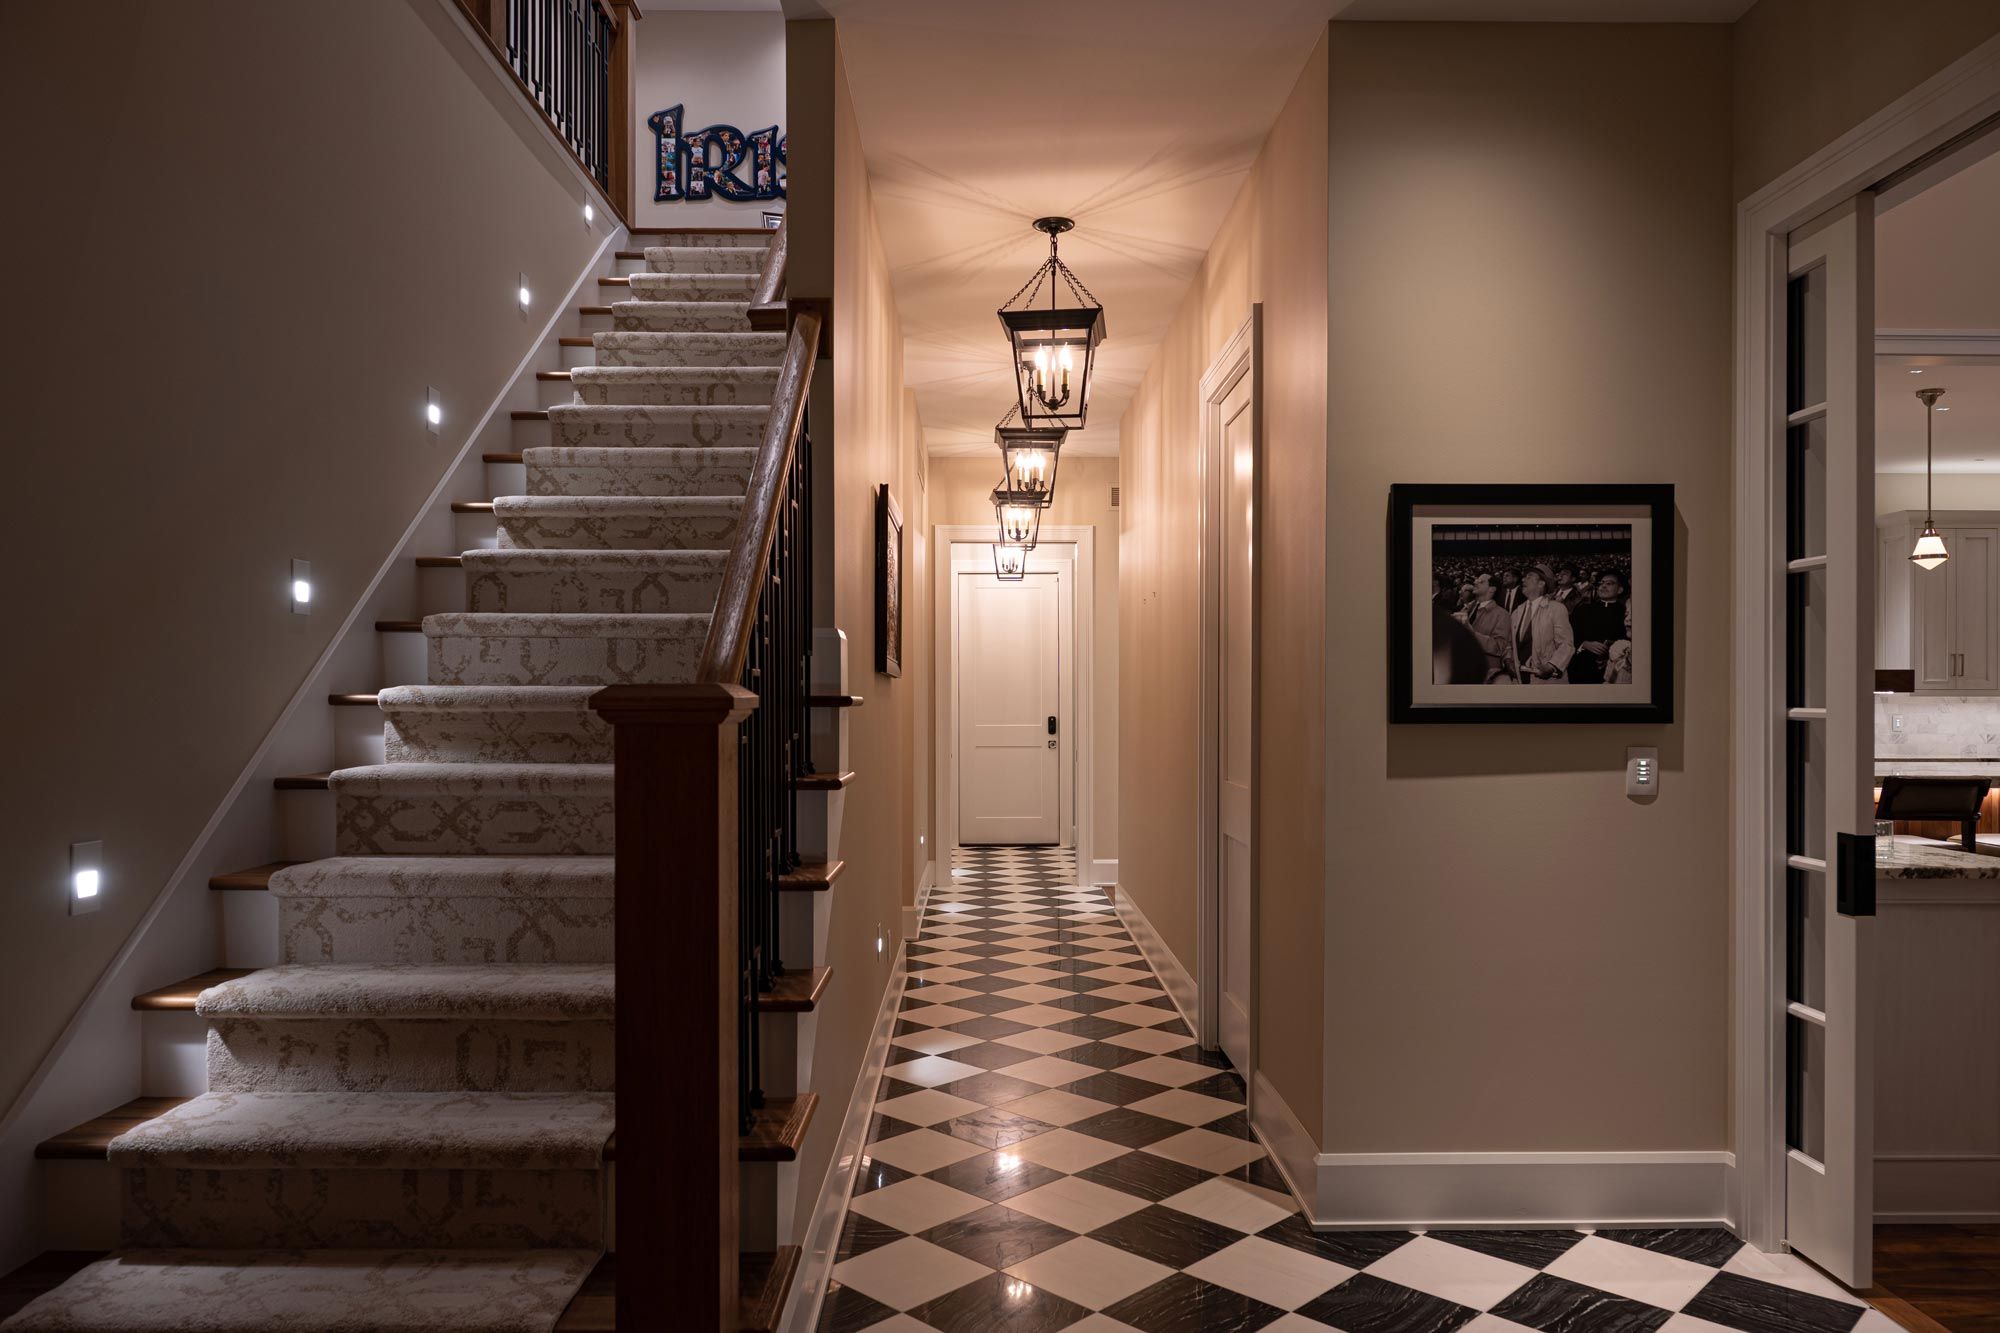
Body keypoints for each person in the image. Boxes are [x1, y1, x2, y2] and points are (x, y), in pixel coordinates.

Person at [1511, 563, 1574, 684]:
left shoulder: (1556, 609)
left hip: (1547, 682)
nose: (1523, 579)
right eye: (1524, 576)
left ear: (1541, 583)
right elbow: (1511, 644)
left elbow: (1566, 644)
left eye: (1529, 576)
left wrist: (1551, 666)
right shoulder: (1516, 612)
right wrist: (1509, 660)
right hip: (1521, 679)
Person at [1569, 569, 1632, 685]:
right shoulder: (1583, 610)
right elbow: (1568, 635)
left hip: (1612, 672)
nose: (1603, 586)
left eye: (1609, 583)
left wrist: (1611, 656)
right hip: (1581, 669)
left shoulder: (1626, 613)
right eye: (1601, 583)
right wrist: (1584, 644)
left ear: (1620, 589)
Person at [1466, 573, 1517, 683]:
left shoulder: (1502, 614)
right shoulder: (1468, 609)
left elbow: (1500, 647)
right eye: (1476, 580)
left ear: (1492, 589)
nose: (1475, 582)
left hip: (1485, 675)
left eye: (1481, 581)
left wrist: (1471, 633)